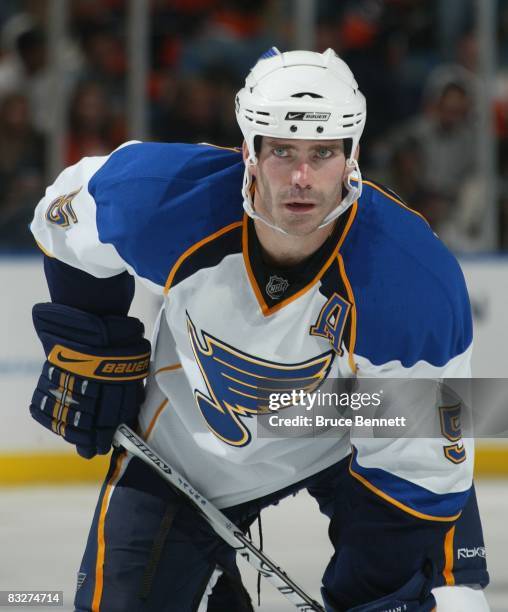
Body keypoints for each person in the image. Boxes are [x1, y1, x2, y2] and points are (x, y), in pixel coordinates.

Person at [29, 48, 489, 611]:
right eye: (282, 152)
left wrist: (369, 592)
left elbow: (419, 466)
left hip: (351, 430)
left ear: (352, 155)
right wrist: (92, 345)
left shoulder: (413, 280)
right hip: (189, 449)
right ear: (248, 150)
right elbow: (64, 212)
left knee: (453, 604)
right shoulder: (164, 196)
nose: (301, 178)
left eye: (322, 153)